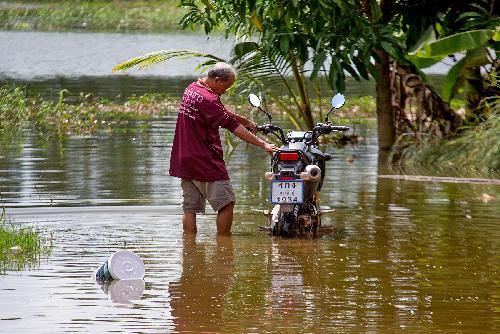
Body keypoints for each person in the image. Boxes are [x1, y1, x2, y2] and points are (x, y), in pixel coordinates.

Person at [169, 62, 277, 235]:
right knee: (227, 203)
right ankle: (224, 245)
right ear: (217, 80)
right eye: (226, 86)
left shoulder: (192, 89)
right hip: (204, 160)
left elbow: (221, 112)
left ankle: (189, 249)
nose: (226, 90)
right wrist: (263, 144)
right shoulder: (210, 100)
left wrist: (247, 121)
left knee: (190, 208)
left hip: (184, 159)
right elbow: (234, 128)